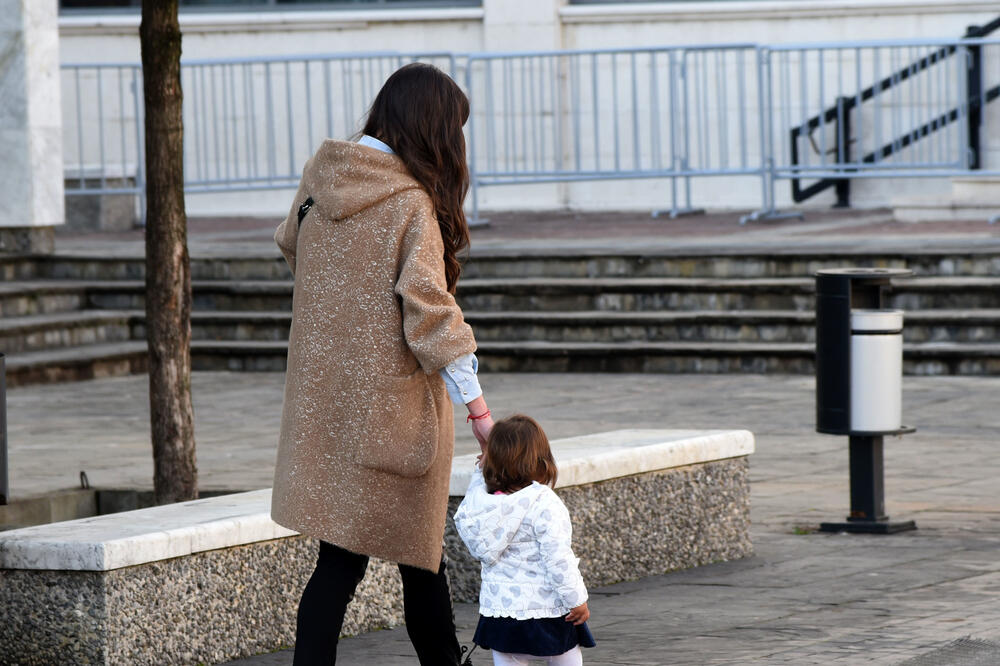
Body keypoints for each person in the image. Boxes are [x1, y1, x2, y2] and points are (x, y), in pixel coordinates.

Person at [270, 63, 494, 666]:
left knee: (347, 563)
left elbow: (289, 242)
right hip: (392, 414)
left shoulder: (322, 179)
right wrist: (477, 406)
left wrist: (342, 316)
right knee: (413, 558)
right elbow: (431, 313)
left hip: (326, 403)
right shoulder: (410, 204)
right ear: (431, 128)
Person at [454, 415, 597, 666]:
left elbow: (474, 493)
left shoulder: (481, 503)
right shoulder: (543, 502)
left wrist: (481, 469)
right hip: (547, 612)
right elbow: (558, 559)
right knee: (567, 657)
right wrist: (577, 600)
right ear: (541, 460)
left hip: (500, 615)